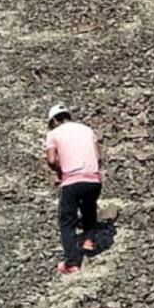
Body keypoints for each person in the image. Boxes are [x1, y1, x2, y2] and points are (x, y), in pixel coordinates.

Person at [44, 103, 103, 275]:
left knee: (67, 220)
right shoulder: (87, 130)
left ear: (54, 120)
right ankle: (89, 239)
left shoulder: (53, 134)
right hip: (93, 179)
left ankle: (71, 263)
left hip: (71, 181)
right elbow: (98, 157)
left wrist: (60, 172)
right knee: (89, 207)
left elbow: (51, 159)